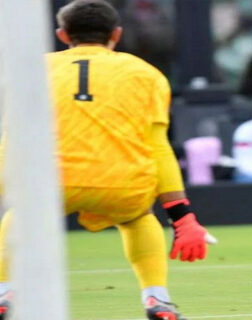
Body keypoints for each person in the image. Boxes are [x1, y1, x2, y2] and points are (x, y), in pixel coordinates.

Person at [0, 1, 214, 319]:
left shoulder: (31, 68)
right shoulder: (146, 74)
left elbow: (11, 137)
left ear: (62, 34)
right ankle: (157, 298)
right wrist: (182, 215)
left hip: (51, 180)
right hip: (121, 181)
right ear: (116, 34)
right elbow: (158, 146)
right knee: (138, 218)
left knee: (21, 214)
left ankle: (5, 292)